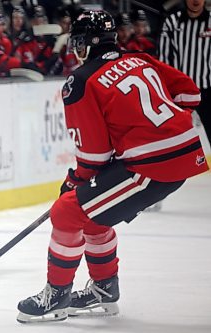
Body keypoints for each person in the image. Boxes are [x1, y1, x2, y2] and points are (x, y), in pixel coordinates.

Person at [16, 10, 209, 323]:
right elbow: (190, 92)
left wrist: (75, 182)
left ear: (85, 44)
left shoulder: (80, 80)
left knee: (66, 211)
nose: (75, 51)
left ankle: (57, 295)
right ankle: (104, 290)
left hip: (151, 166)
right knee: (92, 215)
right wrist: (164, 129)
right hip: (180, 154)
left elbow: (94, 155)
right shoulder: (140, 59)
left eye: (77, 43)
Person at [159, 0, 211, 148]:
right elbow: (164, 59)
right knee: (174, 137)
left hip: (208, 89)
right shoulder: (172, 22)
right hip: (179, 92)